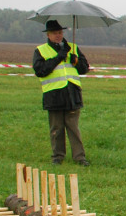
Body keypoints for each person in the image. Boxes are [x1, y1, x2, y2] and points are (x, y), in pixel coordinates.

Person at [32, 19, 90, 166]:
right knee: (56, 128)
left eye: (60, 32)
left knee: (73, 128)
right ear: (48, 35)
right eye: (54, 33)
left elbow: (84, 68)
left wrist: (75, 60)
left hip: (72, 93)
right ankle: (58, 156)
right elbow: (40, 70)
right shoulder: (40, 50)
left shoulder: (73, 48)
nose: (58, 35)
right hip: (54, 95)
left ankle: (79, 157)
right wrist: (59, 57)